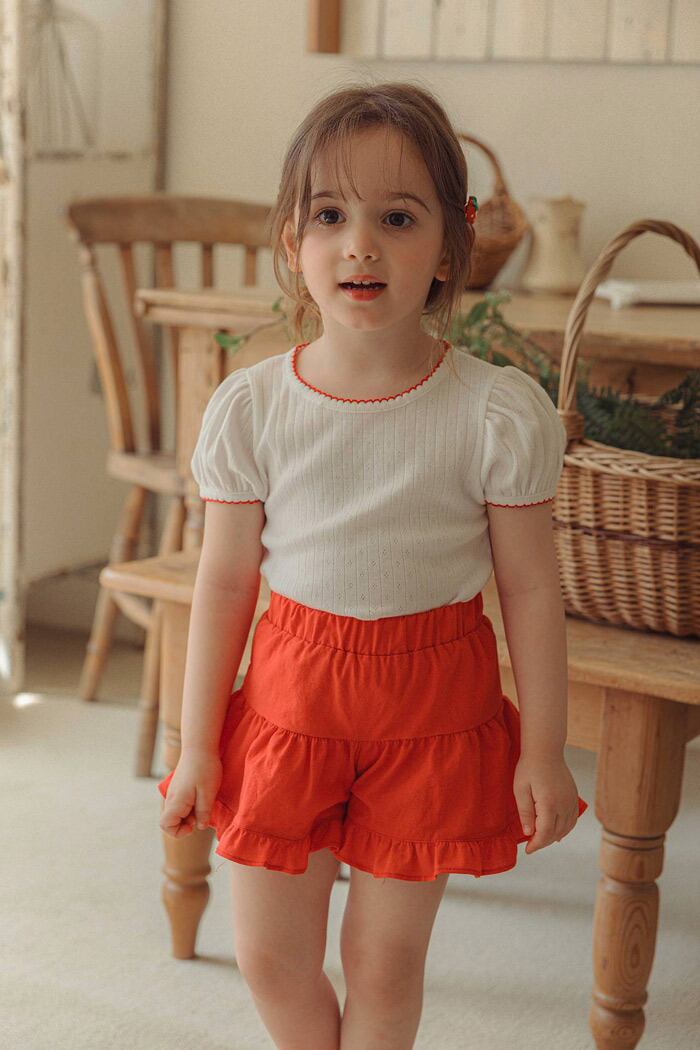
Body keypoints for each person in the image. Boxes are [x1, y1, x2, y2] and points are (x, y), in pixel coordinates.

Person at [157, 80, 588, 1050]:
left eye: (397, 217)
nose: (360, 245)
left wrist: (544, 748)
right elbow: (223, 584)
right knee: (270, 956)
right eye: (330, 215)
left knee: (385, 966)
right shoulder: (253, 408)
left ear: (450, 244)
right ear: (291, 240)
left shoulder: (493, 411)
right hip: (289, 701)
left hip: (430, 715)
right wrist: (198, 743)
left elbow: (529, 590)